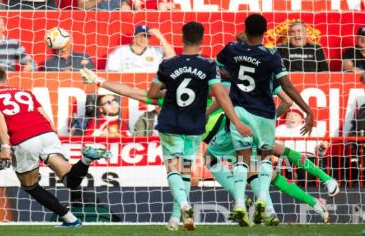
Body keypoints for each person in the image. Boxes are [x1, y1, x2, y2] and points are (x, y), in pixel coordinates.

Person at [79, 68, 331, 226]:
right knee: (266, 170)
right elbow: (133, 91)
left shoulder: (207, 93)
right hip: (220, 140)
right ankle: (307, 203)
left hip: (228, 129)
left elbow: (228, 91)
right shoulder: (179, 99)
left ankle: (316, 186)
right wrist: (100, 82)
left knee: (271, 154)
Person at [146, 21, 252, 231]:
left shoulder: (168, 64)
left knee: (173, 169)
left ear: (182, 38)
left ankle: (184, 206)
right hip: (195, 125)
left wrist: (167, 92)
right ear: (202, 40)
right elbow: (221, 95)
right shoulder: (208, 65)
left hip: (171, 123)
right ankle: (177, 218)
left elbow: (151, 94)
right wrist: (237, 122)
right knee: (184, 171)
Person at [0, 65, 111, 227]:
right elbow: (45, 115)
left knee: (30, 186)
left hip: (24, 138)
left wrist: (5, 146)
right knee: (70, 180)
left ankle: (70, 219)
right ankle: (86, 159)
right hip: (47, 133)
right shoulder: (24, 92)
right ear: (6, 80)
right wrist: (50, 136)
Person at [216, 14, 313, 227]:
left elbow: (217, 67)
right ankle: (261, 199)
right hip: (264, 114)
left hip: (239, 110)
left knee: (242, 160)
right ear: (266, 32)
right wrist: (307, 110)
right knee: (265, 158)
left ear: (245, 29)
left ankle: (240, 204)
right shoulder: (271, 55)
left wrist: (232, 74)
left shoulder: (231, 49)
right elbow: (287, 86)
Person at [105, 25, 175, 72]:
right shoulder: (120, 51)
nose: (143, 39)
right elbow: (111, 71)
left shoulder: (155, 51)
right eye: (140, 36)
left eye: (146, 36)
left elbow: (172, 56)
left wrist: (161, 37)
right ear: (134, 37)